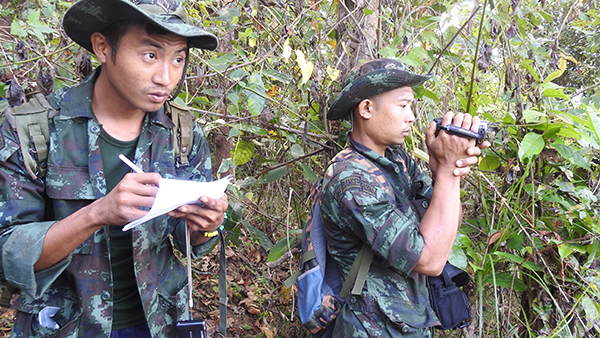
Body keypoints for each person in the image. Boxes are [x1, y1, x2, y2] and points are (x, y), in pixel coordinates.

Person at [0, 0, 228, 337]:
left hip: (160, 323)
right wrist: (97, 213)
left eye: (178, 58)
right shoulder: (34, 130)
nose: (166, 77)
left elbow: (186, 240)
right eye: (150, 55)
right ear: (103, 47)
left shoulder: (182, 132)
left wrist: (206, 225)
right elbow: (8, 254)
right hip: (64, 326)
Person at [320, 58, 490, 337]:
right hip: (371, 327)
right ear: (366, 109)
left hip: (410, 320)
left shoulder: (396, 160)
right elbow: (430, 260)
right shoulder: (351, 178)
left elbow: (447, 226)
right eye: (403, 106)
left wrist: (446, 173)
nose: (411, 116)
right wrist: (447, 172)